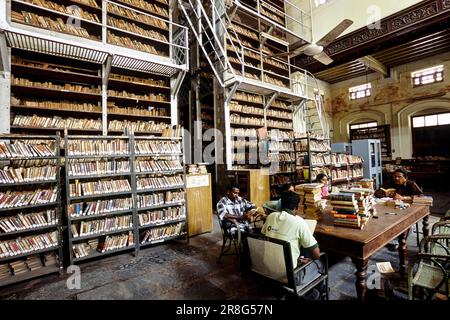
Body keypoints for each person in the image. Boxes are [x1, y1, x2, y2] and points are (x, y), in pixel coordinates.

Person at [261, 191, 325, 298]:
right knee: (320, 263)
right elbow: (316, 254)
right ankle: (314, 294)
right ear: (297, 207)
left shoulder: (271, 216)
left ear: (280, 204)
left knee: (301, 256)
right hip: (289, 276)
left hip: (268, 269)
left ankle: (311, 292)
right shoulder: (299, 222)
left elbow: (265, 236)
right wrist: (308, 260)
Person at [375, 168, 423, 251]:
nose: (396, 178)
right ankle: (388, 239)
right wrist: (384, 194)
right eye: (394, 176)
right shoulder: (390, 183)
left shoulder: (411, 184)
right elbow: (377, 192)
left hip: (407, 209)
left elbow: (421, 196)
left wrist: (404, 198)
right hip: (391, 208)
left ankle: (400, 242)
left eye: (399, 177)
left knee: (407, 223)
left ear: (405, 178)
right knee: (380, 218)